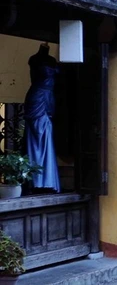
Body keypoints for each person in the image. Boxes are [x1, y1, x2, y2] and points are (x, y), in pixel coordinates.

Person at [24, 43, 61, 192]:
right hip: (37, 96)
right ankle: (36, 180)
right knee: (37, 133)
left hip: (49, 97)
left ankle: (47, 180)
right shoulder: (34, 59)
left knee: (47, 133)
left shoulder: (52, 60)